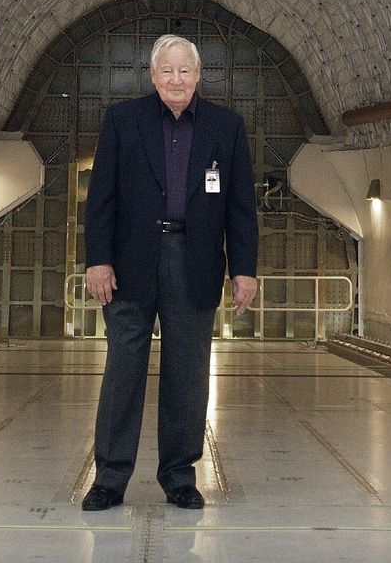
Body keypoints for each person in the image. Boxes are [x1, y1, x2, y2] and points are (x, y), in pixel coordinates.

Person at [81, 34, 258, 511]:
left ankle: (180, 477)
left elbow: (242, 207)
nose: (176, 79)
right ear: (152, 76)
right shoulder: (122, 121)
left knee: (187, 375)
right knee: (123, 372)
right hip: (129, 262)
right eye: (167, 71)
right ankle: (110, 479)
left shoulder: (227, 127)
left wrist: (244, 270)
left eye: (185, 71)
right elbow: (101, 198)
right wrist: (97, 259)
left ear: (199, 76)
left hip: (194, 260)